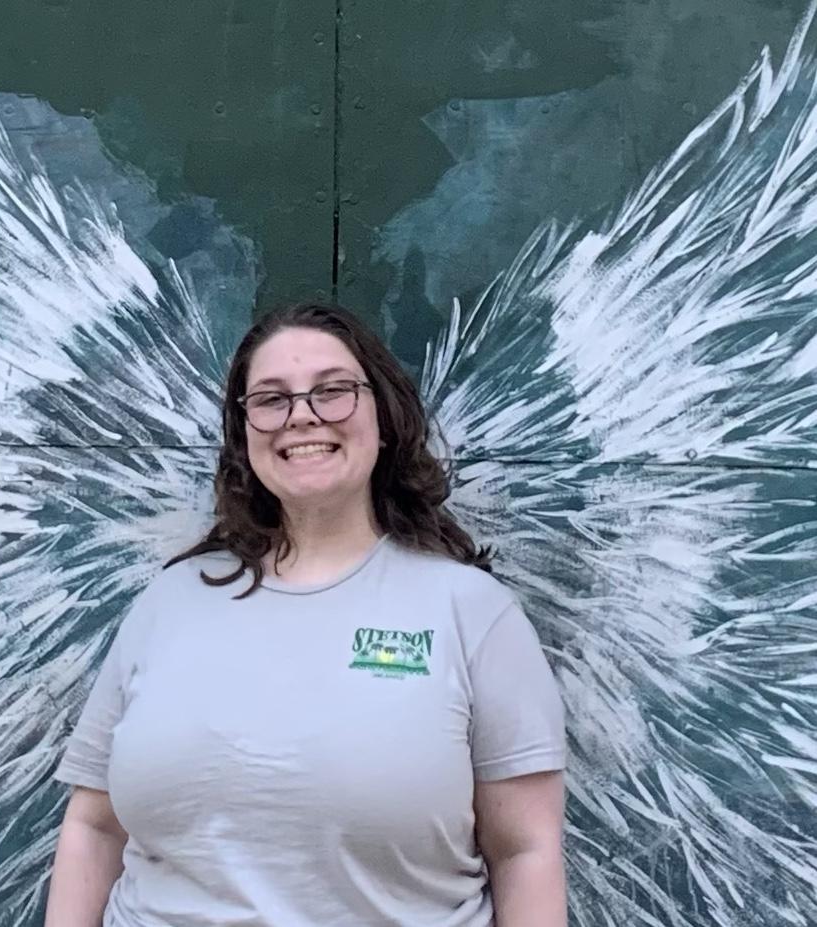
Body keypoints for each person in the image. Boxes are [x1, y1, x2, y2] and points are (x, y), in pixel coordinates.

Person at [45, 301, 567, 927]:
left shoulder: (472, 613)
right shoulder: (168, 602)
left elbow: (525, 851)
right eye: (271, 399)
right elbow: (94, 827)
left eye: (333, 391)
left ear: (384, 418)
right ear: (245, 433)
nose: (302, 415)